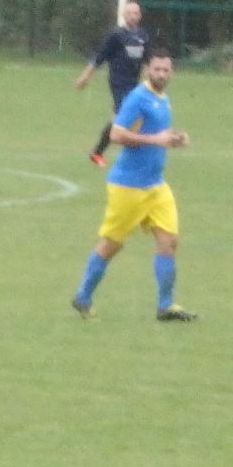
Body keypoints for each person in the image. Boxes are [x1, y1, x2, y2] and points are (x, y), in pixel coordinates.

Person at [71, 48, 195, 321]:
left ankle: (166, 306)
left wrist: (175, 138)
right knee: (111, 244)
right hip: (128, 186)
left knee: (169, 241)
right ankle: (83, 296)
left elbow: (157, 133)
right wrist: (157, 140)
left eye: (166, 70)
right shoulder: (138, 98)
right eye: (156, 69)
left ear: (172, 72)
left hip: (155, 185)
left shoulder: (163, 98)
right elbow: (116, 134)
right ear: (147, 70)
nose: (161, 74)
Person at [75, 0, 150, 167]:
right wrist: (85, 76)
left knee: (126, 117)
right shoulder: (116, 35)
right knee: (124, 115)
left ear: (140, 16)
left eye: (135, 13)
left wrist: (148, 80)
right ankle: (102, 152)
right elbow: (99, 57)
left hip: (134, 83)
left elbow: (146, 60)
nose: (132, 16)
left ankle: (99, 152)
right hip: (119, 82)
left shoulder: (143, 36)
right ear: (123, 15)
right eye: (129, 13)